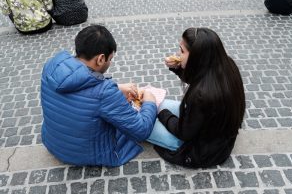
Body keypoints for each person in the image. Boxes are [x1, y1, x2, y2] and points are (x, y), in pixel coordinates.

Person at [40, 25, 157, 167]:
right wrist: (150, 101)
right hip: (84, 154)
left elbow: (83, 90)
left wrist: (117, 87)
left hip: (53, 142)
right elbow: (141, 130)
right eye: (110, 58)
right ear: (101, 59)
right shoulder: (105, 92)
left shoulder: (51, 67)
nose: (110, 62)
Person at [147, 27, 246, 168]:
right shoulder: (226, 65)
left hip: (201, 149)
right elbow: (199, 77)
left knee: (143, 123)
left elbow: (184, 133)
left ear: (197, 56)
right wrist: (178, 68)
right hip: (213, 132)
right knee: (157, 103)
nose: (178, 54)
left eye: (182, 51)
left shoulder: (201, 95)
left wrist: (162, 114)